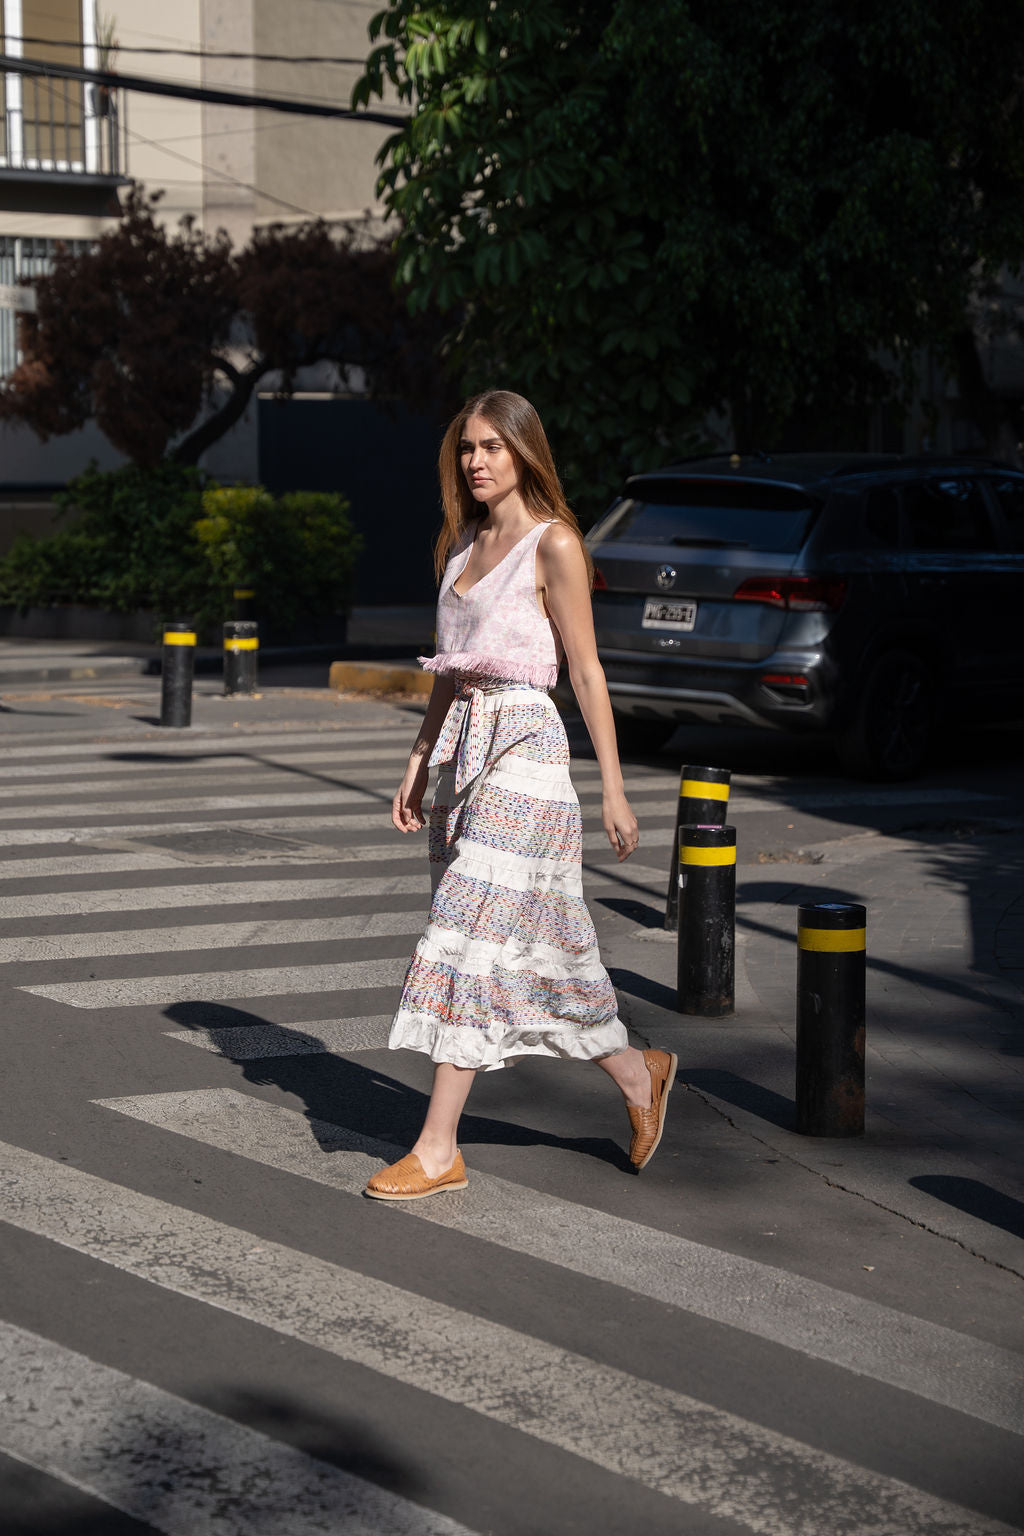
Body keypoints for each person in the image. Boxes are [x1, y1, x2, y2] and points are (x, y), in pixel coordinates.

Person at [364, 390, 676, 1200]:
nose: (476, 461)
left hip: (528, 751)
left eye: (493, 447)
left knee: (469, 931)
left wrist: (613, 789)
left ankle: (438, 1150)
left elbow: (586, 670)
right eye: (467, 447)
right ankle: (637, 1071)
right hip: (465, 753)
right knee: (528, 950)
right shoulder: (461, 546)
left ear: (524, 452)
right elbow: (450, 672)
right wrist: (418, 760)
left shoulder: (554, 543)